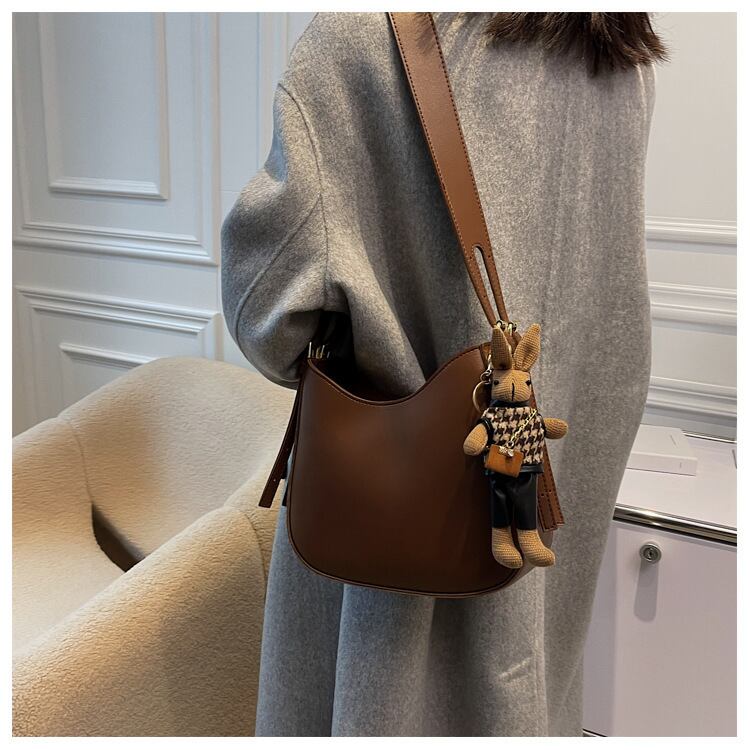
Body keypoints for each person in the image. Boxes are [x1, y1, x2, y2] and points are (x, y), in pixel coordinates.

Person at [221, 12, 665, 737]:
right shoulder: (623, 61)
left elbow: (266, 309)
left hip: (394, 566)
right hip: (562, 519)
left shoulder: (360, 41)